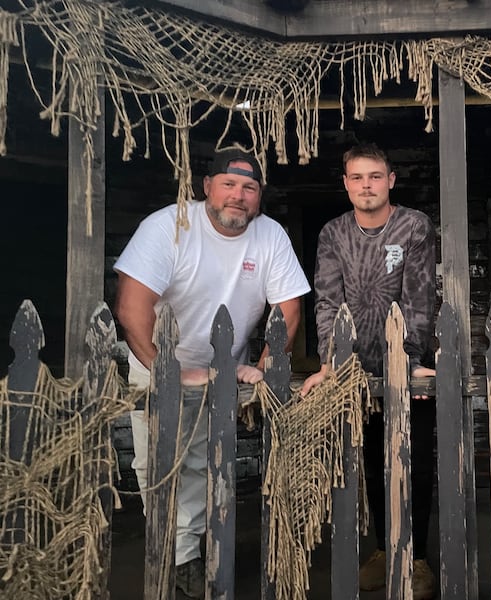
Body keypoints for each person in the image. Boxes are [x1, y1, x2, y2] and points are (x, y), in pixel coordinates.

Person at [114, 148, 311, 598]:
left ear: (259, 196)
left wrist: (264, 367)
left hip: (224, 370)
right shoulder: (167, 226)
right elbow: (131, 308)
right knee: (158, 463)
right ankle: (174, 552)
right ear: (207, 187)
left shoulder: (270, 236)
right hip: (156, 362)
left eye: (249, 188)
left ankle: (189, 554)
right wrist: (171, 372)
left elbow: (289, 309)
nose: (238, 196)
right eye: (229, 184)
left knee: (203, 464)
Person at [300, 142, 437, 600]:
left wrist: (412, 361)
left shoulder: (413, 226)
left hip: (405, 361)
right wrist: (331, 363)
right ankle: (383, 550)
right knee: (372, 461)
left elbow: (418, 297)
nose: (366, 186)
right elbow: (326, 301)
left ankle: (417, 559)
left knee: (413, 460)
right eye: (357, 178)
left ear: (391, 180)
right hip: (355, 370)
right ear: (345, 184)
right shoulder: (333, 233)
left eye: (375, 176)